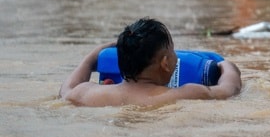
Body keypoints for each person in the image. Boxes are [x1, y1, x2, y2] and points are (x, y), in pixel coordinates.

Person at [59, 18, 242, 107]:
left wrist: (93, 56)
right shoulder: (184, 94)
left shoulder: (88, 93)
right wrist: (227, 66)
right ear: (165, 63)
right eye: (172, 52)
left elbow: (66, 91)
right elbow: (229, 90)